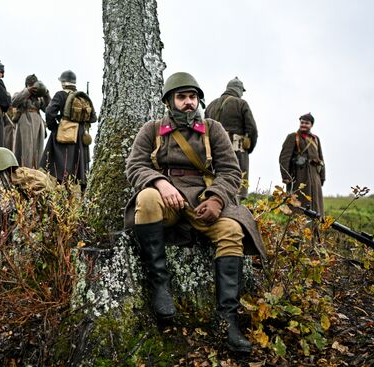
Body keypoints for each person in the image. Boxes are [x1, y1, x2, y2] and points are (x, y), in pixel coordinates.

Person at [124, 72, 266, 353]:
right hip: (168, 200)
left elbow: (230, 171)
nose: (188, 102)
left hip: (202, 199)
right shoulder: (152, 129)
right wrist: (160, 182)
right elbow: (135, 166)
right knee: (147, 199)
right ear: (169, 102)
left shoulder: (213, 129)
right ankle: (160, 286)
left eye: (192, 97)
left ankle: (227, 320)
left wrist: (216, 199)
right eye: (181, 97)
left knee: (232, 230)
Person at [40, 70, 96, 188]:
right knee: (78, 164)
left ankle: (62, 188)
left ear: (63, 83)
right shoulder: (82, 97)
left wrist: (54, 127)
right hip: (81, 135)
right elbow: (93, 118)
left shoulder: (60, 94)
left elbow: (50, 112)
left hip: (65, 132)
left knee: (62, 163)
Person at [205, 77, 258, 199]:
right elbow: (252, 129)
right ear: (239, 90)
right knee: (237, 185)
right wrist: (248, 147)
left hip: (213, 151)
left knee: (214, 182)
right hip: (236, 150)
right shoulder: (241, 104)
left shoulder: (211, 105)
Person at [279, 113, 326, 215]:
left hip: (314, 176)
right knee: (299, 206)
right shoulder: (293, 137)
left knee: (316, 206)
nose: (303, 125)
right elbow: (284, 158)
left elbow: (321, 159)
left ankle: (315, 229)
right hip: (299, 175)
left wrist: (322, 177)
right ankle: (297, 229)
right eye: (302, 122)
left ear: (311, 125)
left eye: (306, 123)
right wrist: (286, 176)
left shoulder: (315, 139)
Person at [11, 74, 51, 168]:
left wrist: (46, 95)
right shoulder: (20, 94)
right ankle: (23, 169)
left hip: (37, 122)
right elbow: (14, 103)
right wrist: (27, 92)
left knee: (38, 148)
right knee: (25, 147)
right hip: (25, 120)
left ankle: (36, 169)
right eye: (31, 85)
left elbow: (47, 109)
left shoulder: (39, 98)